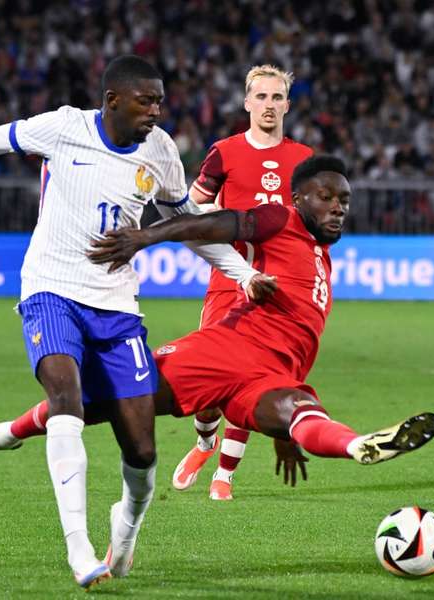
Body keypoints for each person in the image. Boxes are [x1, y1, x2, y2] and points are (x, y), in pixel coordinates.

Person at [0, 55, 276, 590]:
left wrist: (241, 273)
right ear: (113, 99)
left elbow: (182, 224)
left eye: (160, 101)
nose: (156, 111)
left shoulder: (161, 151)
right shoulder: (64, 127)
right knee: (65, 402)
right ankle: (79, 549)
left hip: (117, 308)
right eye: (146, 100)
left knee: (141, 450)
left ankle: (125, 529)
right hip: (51, 290)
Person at [0, 157, 434, 566]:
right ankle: (5, 433)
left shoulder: (322, 258)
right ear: (298, 199)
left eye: (344, 201)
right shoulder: (278, 219)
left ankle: (359, 446)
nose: (337, 208)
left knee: (301, 413)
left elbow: (298, 343)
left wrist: (285, 439)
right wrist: (147, 236)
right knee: (101, 403)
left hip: (273, 378)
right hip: (223, 353)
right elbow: (209, 224)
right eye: (326, 198)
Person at [175, 64, 315, 501]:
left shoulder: (304, 160)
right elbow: (190, 209)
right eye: (261, 97)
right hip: (229, 281)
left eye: (277, 98)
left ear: (287, 105)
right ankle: (203, 442)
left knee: (254, 378)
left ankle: (226, 474)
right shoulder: (224, 152)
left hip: (279, 288)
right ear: (247, 102)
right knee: (208, 387)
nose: (269, 105)